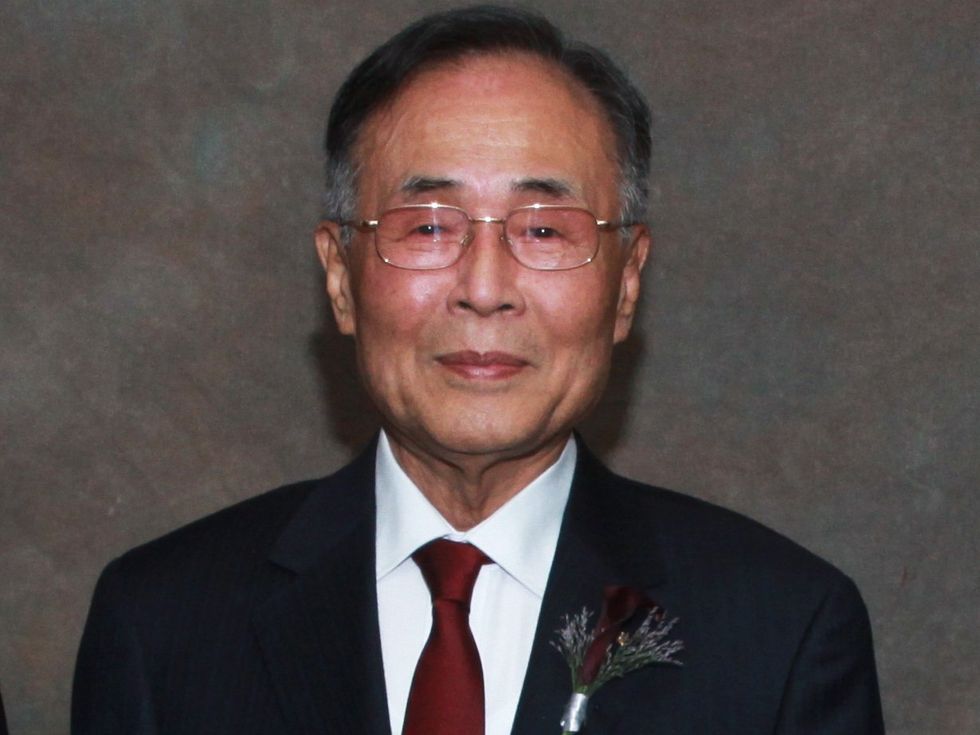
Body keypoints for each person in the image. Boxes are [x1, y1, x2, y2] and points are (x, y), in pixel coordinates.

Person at [72, 5, 884, 734]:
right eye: (428, 226)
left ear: (627, 283)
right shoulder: (162, 623)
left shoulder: (783, 632)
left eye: (545, 229)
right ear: (339, 277)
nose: (485, 288)